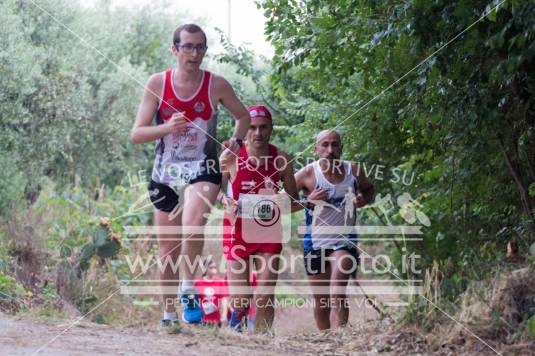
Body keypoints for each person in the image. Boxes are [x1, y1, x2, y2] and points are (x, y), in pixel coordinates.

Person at [131, 23, 250, 329]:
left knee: (193, 224)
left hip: (203, 168)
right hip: (166, 172)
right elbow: (137, 134)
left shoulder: (216, 85)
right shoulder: (158, 83)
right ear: (175, 49)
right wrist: (168, 128)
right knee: (167, 248)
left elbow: (243, 116)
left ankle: (188, 288)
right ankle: (169, 315)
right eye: (188, 47)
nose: (194, 53)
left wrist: (235, 143)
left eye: (200, 47)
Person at [218, 105, 299, 332]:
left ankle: (261, 342)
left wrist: (276, 201)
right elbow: (214, 188)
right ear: (245, 130)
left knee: (265, 294)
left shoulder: (281, 159)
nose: (257, 133)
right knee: (241, 300)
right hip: (237, 230)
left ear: (271, 128)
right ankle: (236, 324)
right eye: (252, 128)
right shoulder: (231, 155)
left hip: (268, 231)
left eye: (263, 127)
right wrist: (225, 201)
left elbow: (294, 200)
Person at [294, 129, 374, 330]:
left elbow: (369, 189)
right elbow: (281, 203)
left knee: (337, 292)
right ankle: (325, 341)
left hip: (344, 240)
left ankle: (340, 338)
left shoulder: (354, 171)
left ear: (341, 148)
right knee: (321, 302)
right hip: (314, 242)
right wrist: (308, 201)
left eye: (335, 144)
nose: (330, 150)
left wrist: (364, 199)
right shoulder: (307, 175)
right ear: (316, 149)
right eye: (325, 145)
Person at [194, 258, 229, 326]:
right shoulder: (198, 283)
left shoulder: (220, 282)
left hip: (216, 320)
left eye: (215, 267)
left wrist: (224, 315)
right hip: (201, 319)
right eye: (211, 267)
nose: (213, 269)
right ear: (205, 269)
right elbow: (195, 301)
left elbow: (224, 300)